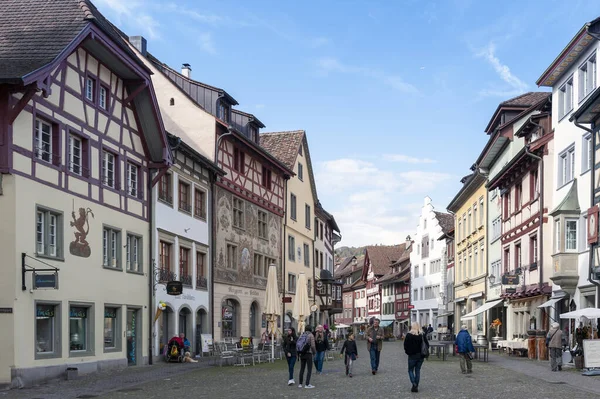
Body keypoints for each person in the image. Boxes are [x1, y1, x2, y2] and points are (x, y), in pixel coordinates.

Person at [404, 322, 429, 393]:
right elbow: (427, 345)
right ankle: (416, 385)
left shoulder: (409, 335)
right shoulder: (422, 335)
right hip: (420, 356)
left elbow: (405, 345)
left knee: (410, 370)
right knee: (417, 370)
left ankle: (414, 384)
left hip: (412, 356)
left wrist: (408, 352)